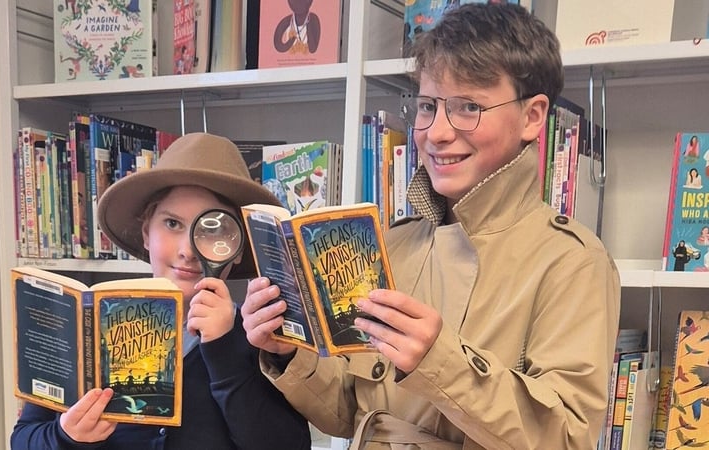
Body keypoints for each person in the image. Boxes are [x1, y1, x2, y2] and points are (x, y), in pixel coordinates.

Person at [241, 4, 620, 449]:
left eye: (468, 107)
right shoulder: (394, 243)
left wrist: (439, 362)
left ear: (533, 116)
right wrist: (289, 351)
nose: (436, 132)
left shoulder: (572, 261)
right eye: (427, 106)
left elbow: (569, 437)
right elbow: (350, 413)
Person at [11, 133, 311, 449]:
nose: (188, 250)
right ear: (145, 233)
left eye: (214, 230)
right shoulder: (82, 331)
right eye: (172, 224)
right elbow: (23, 439)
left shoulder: (260, 336)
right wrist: (65, 435)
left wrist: (226, 352)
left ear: (237, 249)